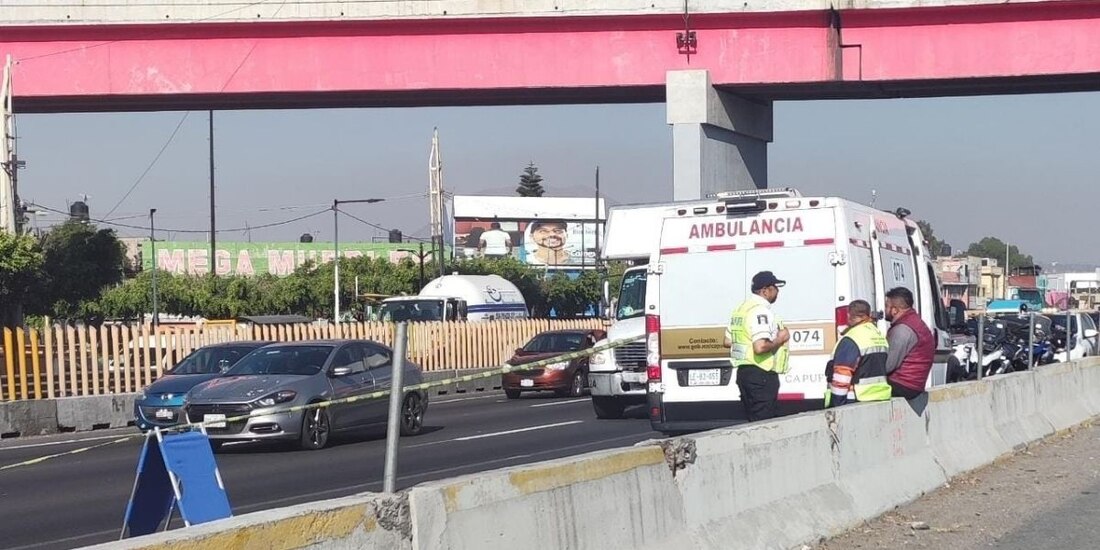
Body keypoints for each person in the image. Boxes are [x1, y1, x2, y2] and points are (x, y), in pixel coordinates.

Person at [724, 271, 791, 421]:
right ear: (765, 290)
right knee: (764, 425)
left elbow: (727, 341)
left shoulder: (741, 309)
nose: (778, 291)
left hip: (744, 374)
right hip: (762, 375)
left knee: (752, 423)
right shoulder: (761, 311)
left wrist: (746, 347)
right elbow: (760, 347)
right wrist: (780, 339)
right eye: (775, 287)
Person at [824, 300, 891, 408]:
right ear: (868, 315)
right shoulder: (879, 335)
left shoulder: (852, 338)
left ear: (849, 315)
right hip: (881, 398)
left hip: (855, 400)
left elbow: (842, 374)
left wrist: (837, 406)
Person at [883, 287, 935, 399]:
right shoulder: (915, 322)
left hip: (902, 384)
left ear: (894, 310)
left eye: (887, 306)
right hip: (915, 384)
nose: (884, 310)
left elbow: (888, 365)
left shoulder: (902, 329)